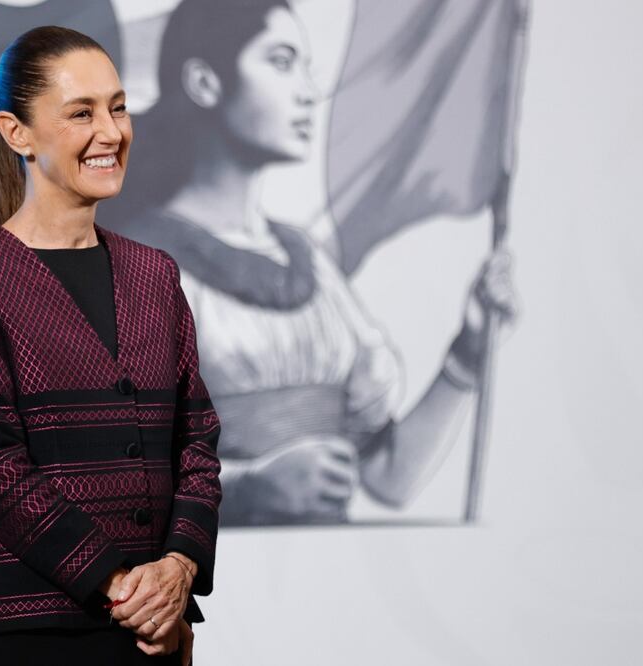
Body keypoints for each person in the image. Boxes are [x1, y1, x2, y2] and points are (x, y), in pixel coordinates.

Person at [99, 0, 518, 525]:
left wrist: (468, 353)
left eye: (306, 67)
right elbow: (101, 479)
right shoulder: (133, 266)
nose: (307, 91)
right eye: (280, 61)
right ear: (205, 82)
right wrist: (249, 487)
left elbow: (388, 478)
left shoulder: (312, 266)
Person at [0, 26, 220, 665]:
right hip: (30, 637)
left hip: (153, 638)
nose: (110, 131)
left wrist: (178, 567)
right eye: (81, 112)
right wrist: (120, 588)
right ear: (16, 132)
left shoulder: (154, 272)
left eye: (118, 106)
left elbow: (196, 441)